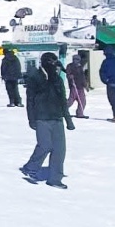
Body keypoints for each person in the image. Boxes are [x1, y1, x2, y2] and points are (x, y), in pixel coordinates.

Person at [21, 52, 75, 189]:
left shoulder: (57, 79)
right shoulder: (35, 78)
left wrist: (68, 120)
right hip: (41, 117)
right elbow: (30, 100)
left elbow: (63, 100)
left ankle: (55, 179)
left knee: (59, 149)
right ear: (45, 62)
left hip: (57, 118)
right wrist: (31, 119)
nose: (54, 66)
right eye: (52, 63)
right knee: (45, 145)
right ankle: (30, 167)